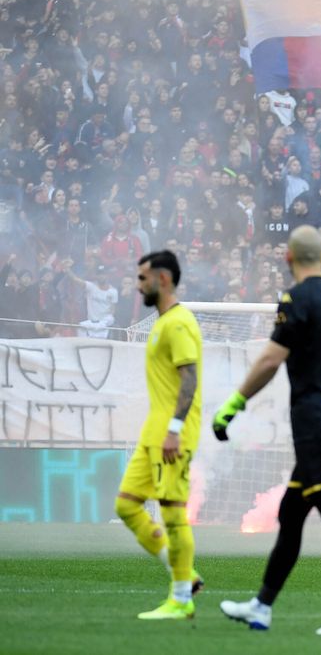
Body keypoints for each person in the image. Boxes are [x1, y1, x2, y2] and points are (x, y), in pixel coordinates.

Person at [215, 225, 321, 636]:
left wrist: (233, 405)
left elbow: (271, 360)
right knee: (291, 514)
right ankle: (261, 607)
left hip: (316, 422)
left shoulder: (297, 299)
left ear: (288, 258)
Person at [114, 250, 204, 620]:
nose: (138, 286)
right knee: (126, 505)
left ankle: (181, 599)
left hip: (172, 434)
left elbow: (190, 379)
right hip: (154, 431)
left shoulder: (179, 323)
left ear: (162, 279)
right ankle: (184, 572)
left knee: (173, 514)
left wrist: (175, 430)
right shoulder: (161, 322)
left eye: (142, 278)